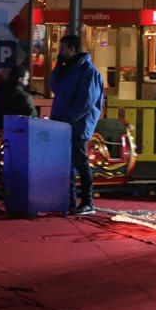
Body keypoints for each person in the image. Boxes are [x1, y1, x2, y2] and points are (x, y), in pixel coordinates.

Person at [50, 35, 105, 215]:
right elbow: (54, 86)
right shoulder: (69, 69)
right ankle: (70, 201)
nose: (61, 52)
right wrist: (58, 66)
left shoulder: (89, 71)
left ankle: (87, 202)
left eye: (63, 48)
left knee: (80, 163)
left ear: (72, 49)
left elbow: (86, 102)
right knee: (67, 164)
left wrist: (67, 119)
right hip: (65, 123)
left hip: (78, 125)